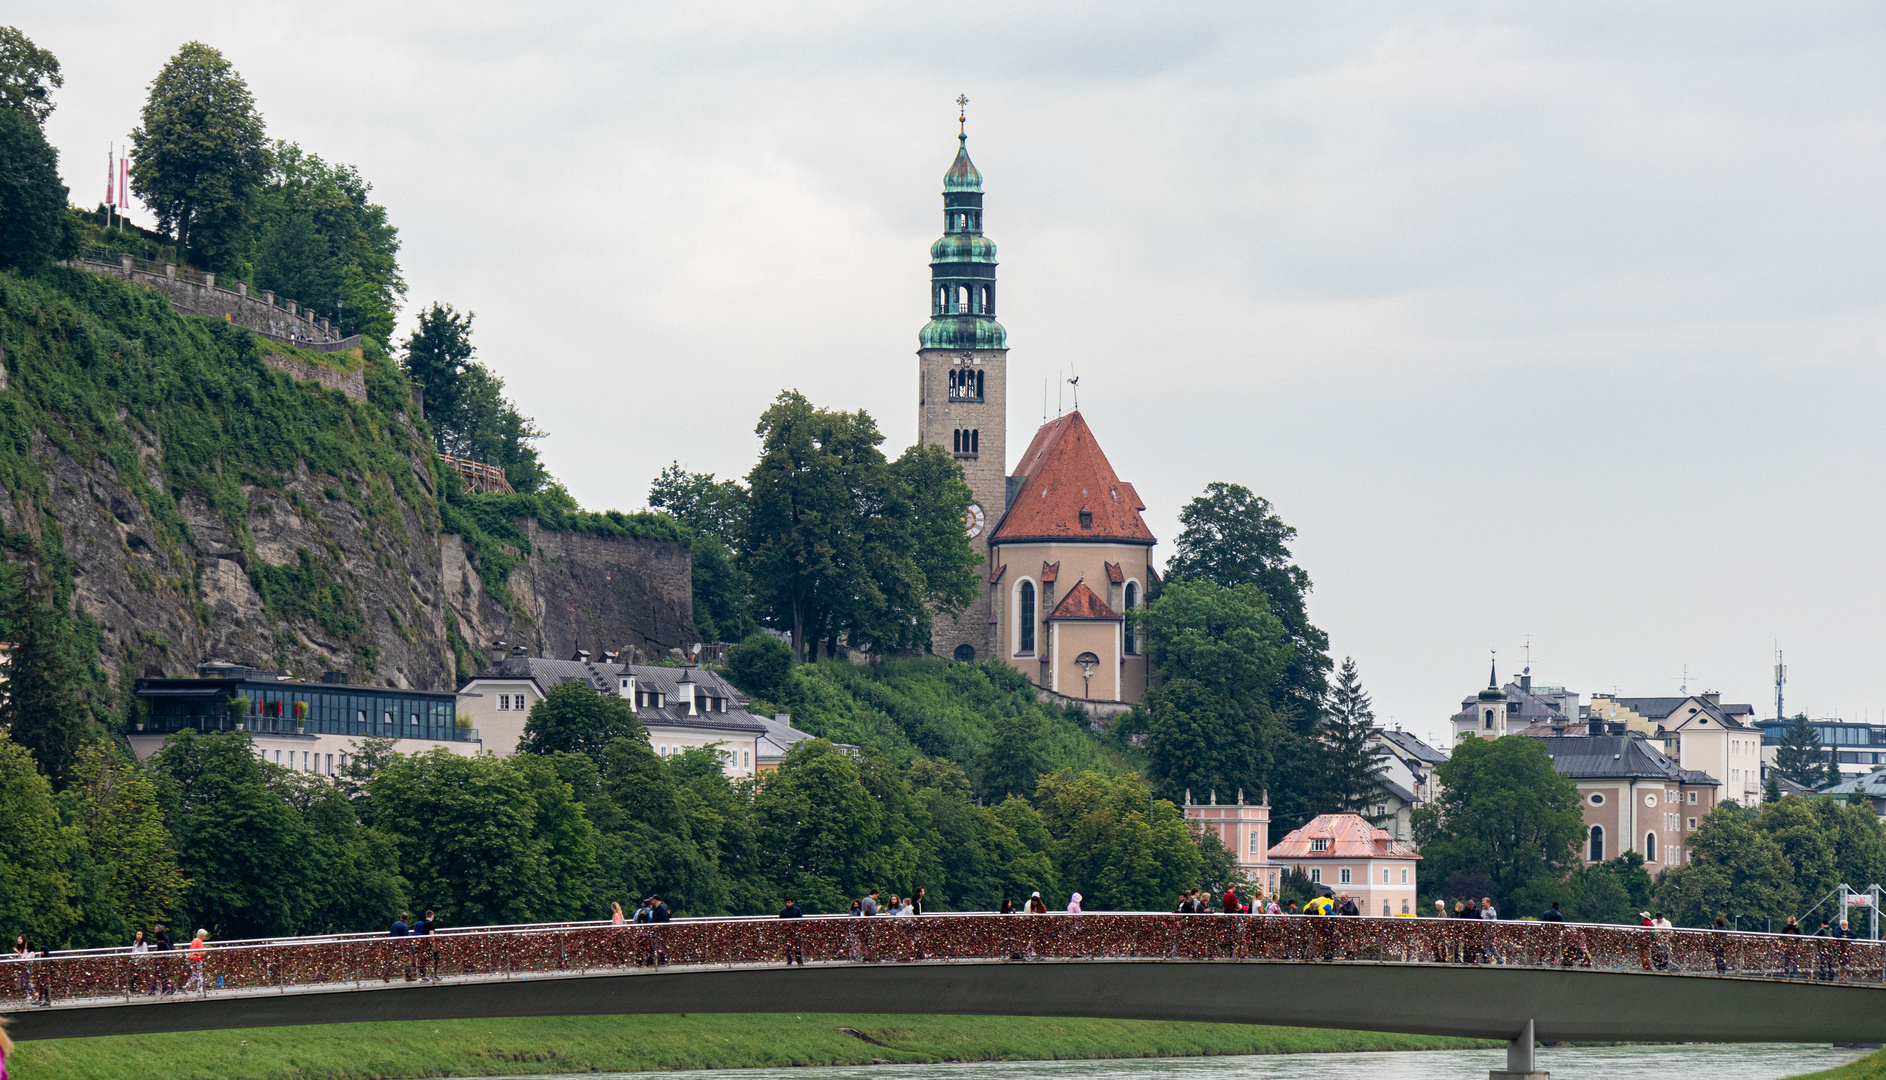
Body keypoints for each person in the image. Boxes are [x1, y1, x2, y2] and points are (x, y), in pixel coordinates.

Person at [779, 897, 805, 966]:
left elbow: (800, 919)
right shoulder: (783, 911)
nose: (788, 904)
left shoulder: (797, 910)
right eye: (787, 902)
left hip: (796, 930)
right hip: (787, 931)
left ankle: (799, 960)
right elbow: (780, 921)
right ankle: (789, 960)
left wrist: (794, 921)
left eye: (789, 902)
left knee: (797, 946)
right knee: (788, 946)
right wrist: (786, 923)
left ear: (792, 903)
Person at [182, 929, 209, 995]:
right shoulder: (199, 942)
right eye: (204, 936)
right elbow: (202, 952)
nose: (205, 937)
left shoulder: (194, 940)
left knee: (194, 975)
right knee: (200, 975)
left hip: (192, 959)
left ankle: (186, 986)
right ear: (202, 935)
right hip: (197, 960)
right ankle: (200, 991)